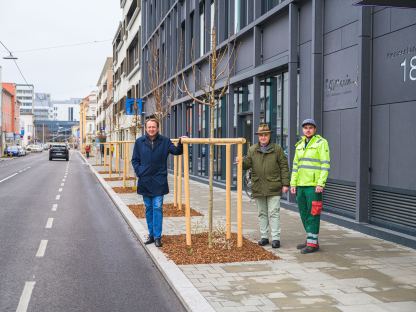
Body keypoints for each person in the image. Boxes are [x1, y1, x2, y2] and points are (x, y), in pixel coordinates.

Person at [131, 118, 184, 247]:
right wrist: (140, 172)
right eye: (149, 127)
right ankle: (151, 235)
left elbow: (177, 151)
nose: (151, 129)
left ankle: (158, 237)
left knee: (157, 207)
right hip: (145, 180)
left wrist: (181, 142)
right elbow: (135, 160)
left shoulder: (165, 141)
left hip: (159, 180)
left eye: (153, 127)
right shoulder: (139, 142)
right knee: (149, 208)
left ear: (158, 128)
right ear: (146, 128)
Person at [240, 123, 290, 248]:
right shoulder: (252, 149)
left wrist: (285, 184)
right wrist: (241, 161)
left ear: (269, 136)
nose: (263, 137)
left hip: (274, 185)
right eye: (261, 135)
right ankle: (264, 237)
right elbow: (247, 164)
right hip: (258, 186)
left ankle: (276, 238)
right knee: (262, 213)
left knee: (274, 212)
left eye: (265, 135)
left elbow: (284, 167)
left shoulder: (277, 149)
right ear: (258, 137)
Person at [290, 118, 330, 254]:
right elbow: (295, 166)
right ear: (302, 130)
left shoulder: (321, 143)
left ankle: (312, 244)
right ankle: (311, 239)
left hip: (313, 186)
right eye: (305, 127)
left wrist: (321, 183)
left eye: (310, 127)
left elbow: (325, 165)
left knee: (313, 213)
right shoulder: (299, 144)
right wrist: (293, 183)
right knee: (303, 213)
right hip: (300, 185)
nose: (308, 130)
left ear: (315, 129)